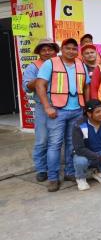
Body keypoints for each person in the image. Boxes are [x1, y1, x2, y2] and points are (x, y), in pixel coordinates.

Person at [36, 38, 90, 192]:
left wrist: (86, 106)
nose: (71, 51)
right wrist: (47, 107)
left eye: (74, 48)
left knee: (72, 144)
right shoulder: (50, 63)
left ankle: (69, 172)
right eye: (68, 48)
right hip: (57, 111)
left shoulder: (81, 64)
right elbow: (40, 85)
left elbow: (86, 86)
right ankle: (53, 178)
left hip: (77, 110)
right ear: (62, 49)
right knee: (54, 145)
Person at [23, 38, 59, 182]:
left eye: (50, 49)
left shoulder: (60, 64)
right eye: (43, 50)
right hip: (42, 107)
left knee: (58, 140)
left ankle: (56, 167)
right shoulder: (33, 67)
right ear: (39, 52)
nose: (47, 52)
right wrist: (40, 78)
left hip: (61, 106)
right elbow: (26, 86)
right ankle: (42, 169)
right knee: (42, 139)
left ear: (55, 51)